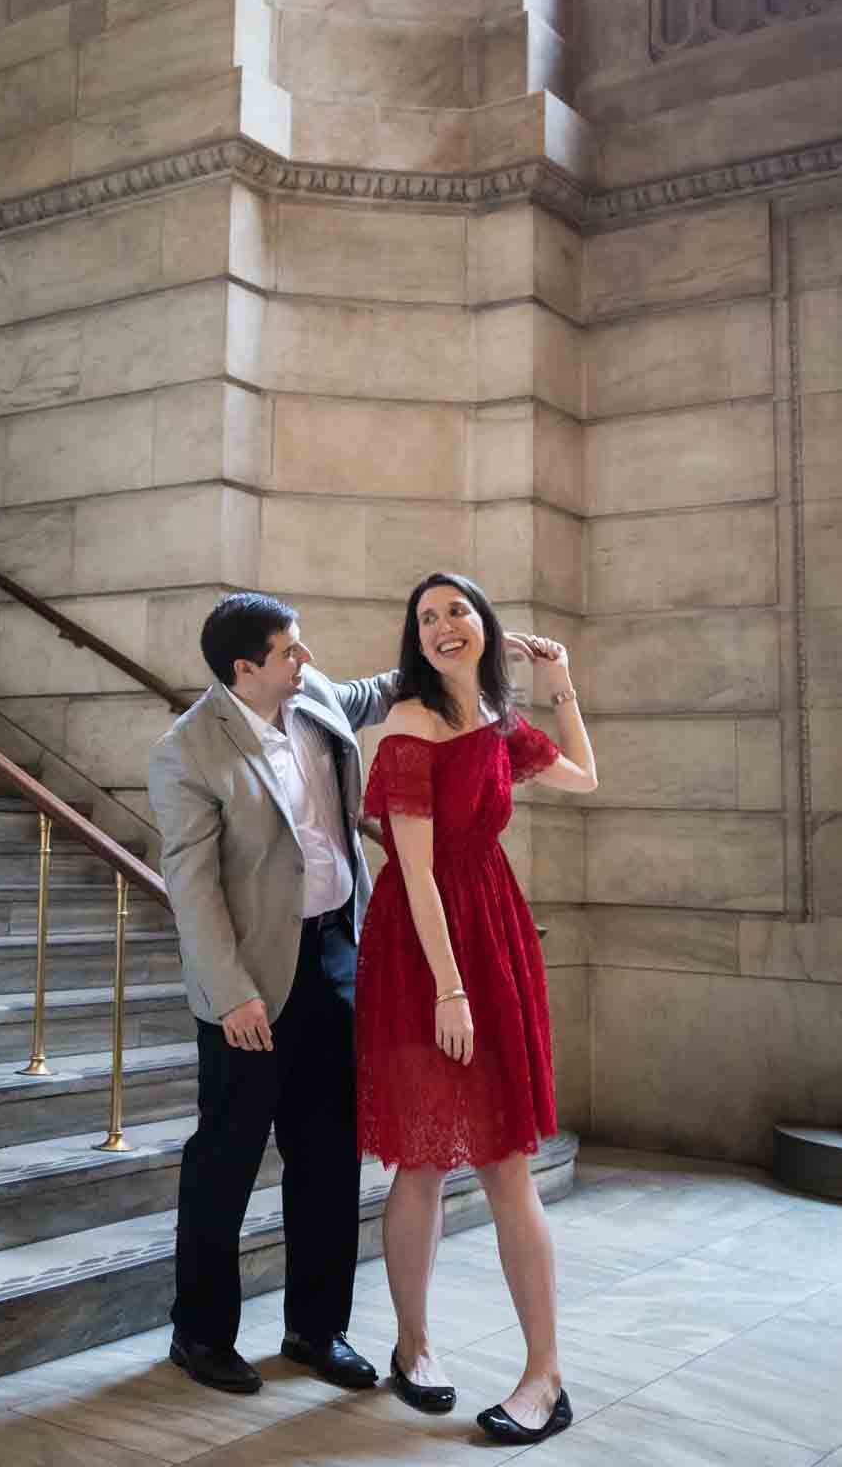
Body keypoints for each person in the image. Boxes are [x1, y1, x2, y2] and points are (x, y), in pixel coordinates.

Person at [355, 572, 597, 1447]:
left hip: (490, 931)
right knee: (417, 1162)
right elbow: (413, 871)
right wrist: (449, 986)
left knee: (504, 1161)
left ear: (485, 625)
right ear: (414, 641)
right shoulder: (409, 727)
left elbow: (584, 776)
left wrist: (557, 680)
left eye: (456, 610)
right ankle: (413, 1347)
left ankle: (545, 1377)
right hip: (423, 947)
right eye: (425, 618)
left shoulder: (499, 721)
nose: (443, 626)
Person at [148, 591, 402, 1397]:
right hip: (250, 982)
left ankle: (316, 1330)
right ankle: (199, 1336)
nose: (308, 659)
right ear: (243, 669)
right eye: (290, 651)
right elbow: (190, 888)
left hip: (334, 954)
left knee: (328, 1154)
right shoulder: (188, 751)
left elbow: (377, 692)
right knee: (224, 1160)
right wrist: (231, 995)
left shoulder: (314, 695)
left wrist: (454, 642)